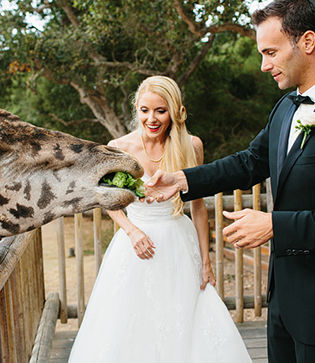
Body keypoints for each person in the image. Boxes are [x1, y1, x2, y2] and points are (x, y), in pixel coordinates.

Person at [144, 1, 315, 362]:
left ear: (307, 42)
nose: (264, 65)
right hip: (283, 308)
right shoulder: (285, 107)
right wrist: (181, 179)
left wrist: (276, 224)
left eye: (270, 52)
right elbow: (250, 162)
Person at [67, 76, 251, 362]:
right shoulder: (118, 147)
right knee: (129, 318)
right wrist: (131, 231)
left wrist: (206, 262)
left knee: (182, 315)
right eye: (144, 110)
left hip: (178, 241)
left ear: (174, 111)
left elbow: (199, 207)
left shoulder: (192, 145)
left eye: (160, 111)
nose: (151, 119)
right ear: (136, 110)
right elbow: (107, 199)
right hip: (134, 245)